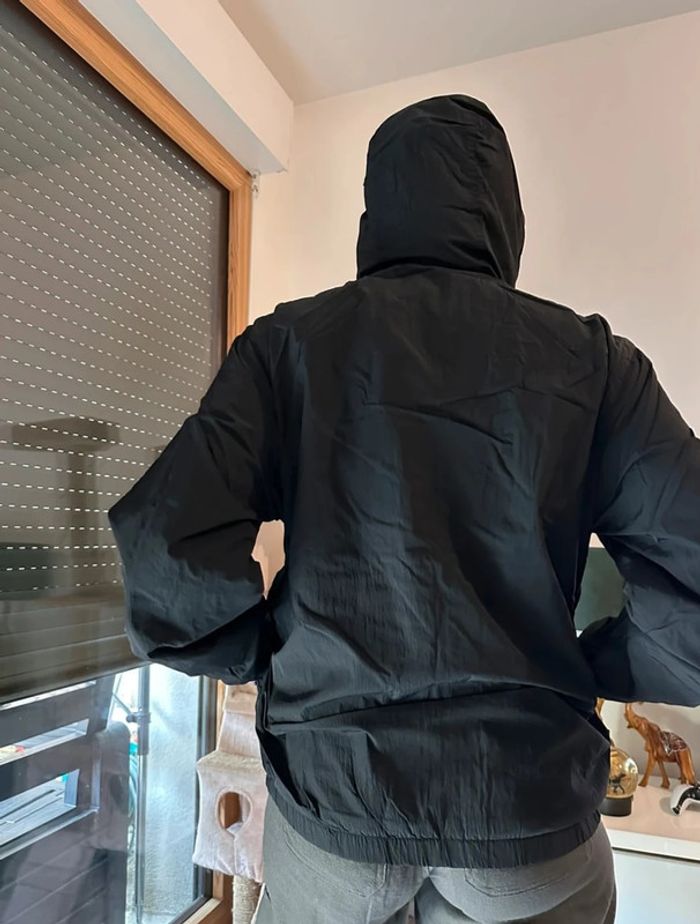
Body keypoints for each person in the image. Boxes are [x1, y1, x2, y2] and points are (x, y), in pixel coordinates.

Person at [109, 95, 700, 923]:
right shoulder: (594, 363)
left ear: (377, 207)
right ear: (504, 213)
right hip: (526, 813)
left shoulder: (291, 347)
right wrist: (592, 662)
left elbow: (165, 546)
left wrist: (268, 654)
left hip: (335, 811)